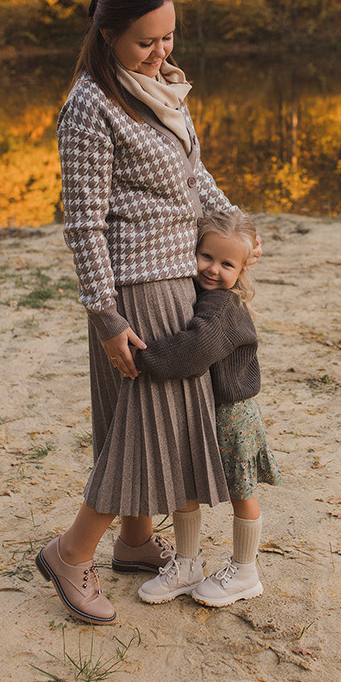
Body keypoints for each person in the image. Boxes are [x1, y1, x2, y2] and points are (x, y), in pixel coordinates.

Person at [35, 0, 257, 625]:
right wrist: (105, 316)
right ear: (107, 35)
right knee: (144, 429)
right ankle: (71, 554)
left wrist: (237, 229)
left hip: (175, 276)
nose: (161, 52)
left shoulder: (156, 88)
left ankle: (134, 543)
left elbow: (192, 177)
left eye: (168, 37)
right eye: (145, 41)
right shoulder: (89, 107)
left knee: (125, 419)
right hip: (134, 290)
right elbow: (83, 223)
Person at [134, 210, 281, 607]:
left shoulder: (221, 307)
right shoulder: (198, 295)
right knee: (184, 483)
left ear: (244, 268)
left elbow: (192, 351)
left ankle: (245, 572)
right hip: (201, 411)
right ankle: (187, 564)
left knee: (241, 490)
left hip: (233, 414)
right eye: (206, 256)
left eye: (227, 263)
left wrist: (140, 359)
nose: (214, 269)